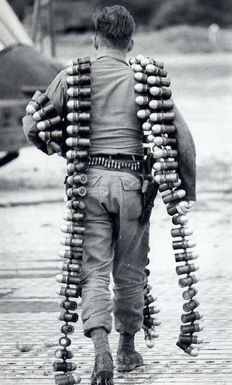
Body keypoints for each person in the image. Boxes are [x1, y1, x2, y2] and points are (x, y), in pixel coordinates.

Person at [23, 5, 196, 384]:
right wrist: (187, 190)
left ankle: (100, 351)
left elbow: (33, 123)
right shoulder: (145, 78)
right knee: (131, 272)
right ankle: (127, 349)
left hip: (90, 182)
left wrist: (60, 147)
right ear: (130, 42)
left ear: (95, 40)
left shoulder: (74, 74)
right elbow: (182, 139)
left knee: (93, 271)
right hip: (135, 184)